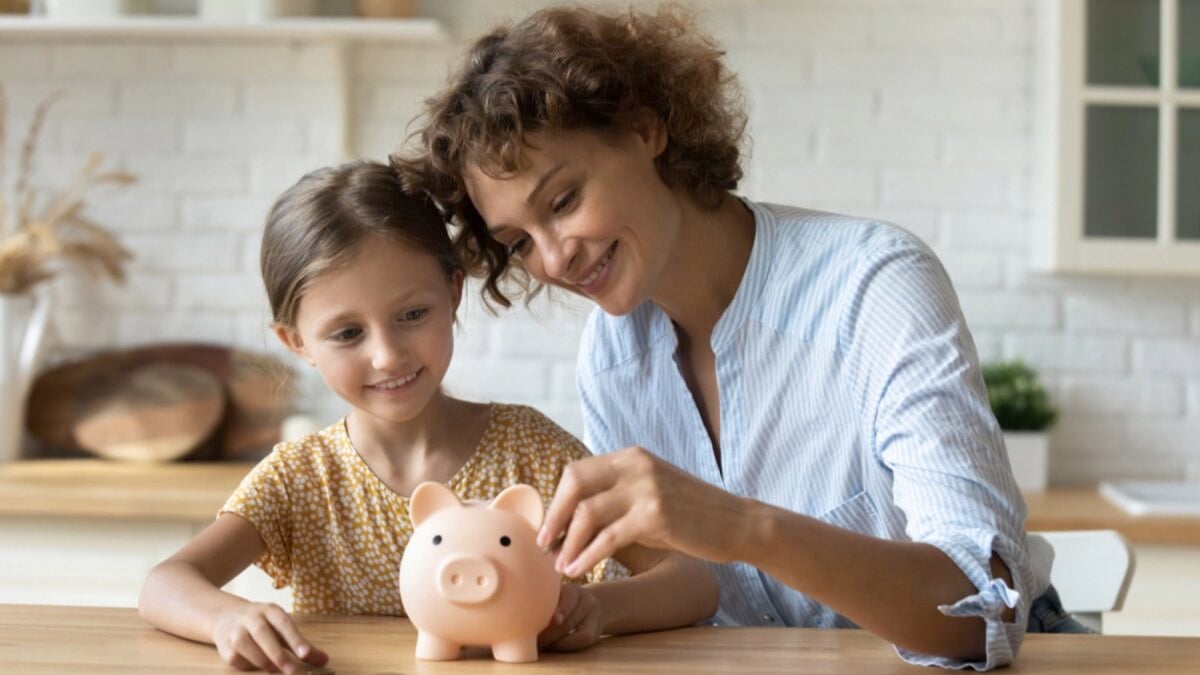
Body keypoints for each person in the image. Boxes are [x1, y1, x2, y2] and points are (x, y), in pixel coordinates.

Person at [394, 4, 1079, 670]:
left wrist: (740, 525)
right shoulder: (612, 354)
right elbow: (701, 586)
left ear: (644, 128)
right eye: (520, 243)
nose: (554, 258)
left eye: (564, 201)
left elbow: (982, 617)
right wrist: (594, 606)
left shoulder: (874, 285)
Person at [137, 161, 718, 674]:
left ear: (453, 293)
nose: (387, 355)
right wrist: (228, 619)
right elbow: (165, 583)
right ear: (297, 343)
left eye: (412, 314)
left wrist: (598, 607)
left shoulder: (533, 453)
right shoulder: (301, 479)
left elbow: (693, 578)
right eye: (347, 333)